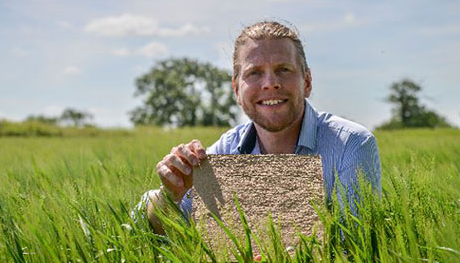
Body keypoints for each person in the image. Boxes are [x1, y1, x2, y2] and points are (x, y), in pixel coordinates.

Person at [135, 20, 381, 234]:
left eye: (283, 70)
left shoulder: (351, 144)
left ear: (306, 82)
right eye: (254, 73)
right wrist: (170, 194)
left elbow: (353, 251)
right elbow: (158, 231)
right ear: (236, 90)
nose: (270, 83)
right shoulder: (225, 151)